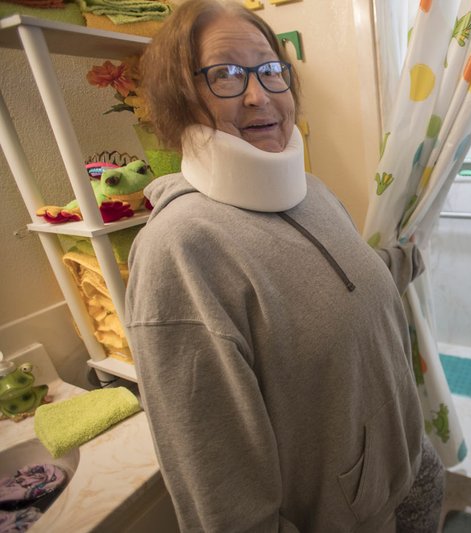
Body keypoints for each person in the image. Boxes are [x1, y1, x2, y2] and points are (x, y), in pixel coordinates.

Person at [123, 0, 444, 531]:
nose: (259, 94)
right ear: (180, 100)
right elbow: (223, 498)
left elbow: (346, 289)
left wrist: (409, 254)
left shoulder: (311, 193)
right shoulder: (181, 251)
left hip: (406, 471)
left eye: (271, 70)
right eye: (225, 74)